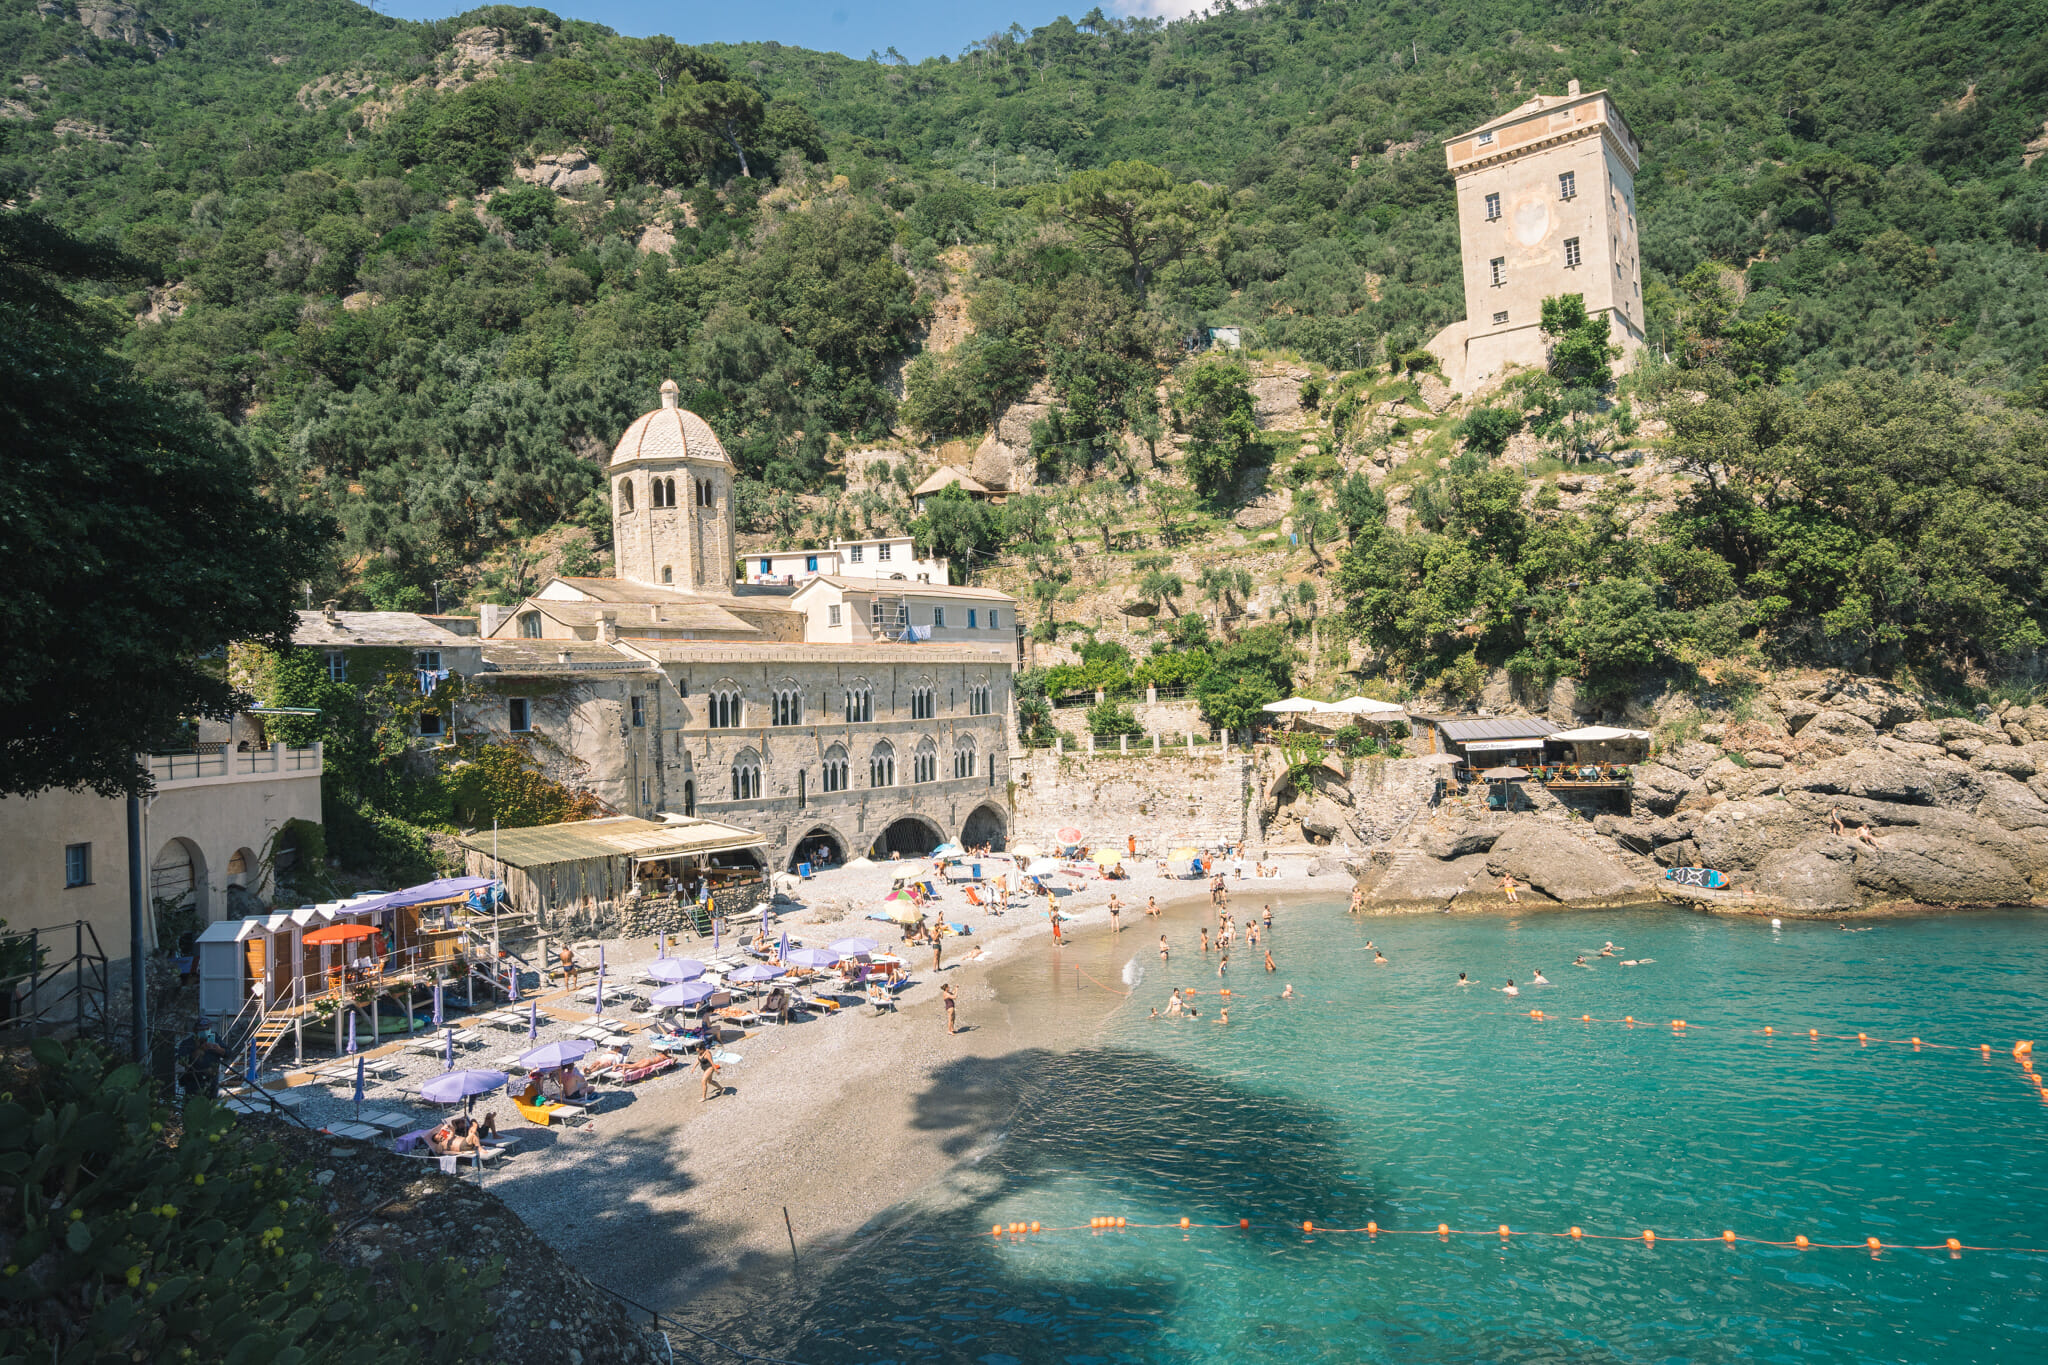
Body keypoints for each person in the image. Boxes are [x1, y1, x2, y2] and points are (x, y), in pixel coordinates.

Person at [178, 1016, 227, 1100]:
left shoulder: (215, 1039)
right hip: (193, 1082)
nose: (204, 1031)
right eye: (201, 1029)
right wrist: (200, 1049)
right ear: (195, 1030)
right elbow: (182, 1060)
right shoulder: (188, 1043)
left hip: (211, 1081)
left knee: (211, 1107)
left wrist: (219, 1049)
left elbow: (228, 1053)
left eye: (207, 1028)